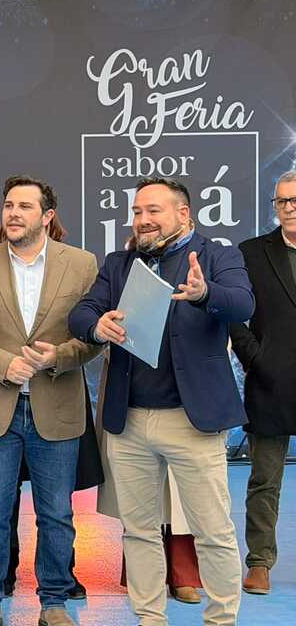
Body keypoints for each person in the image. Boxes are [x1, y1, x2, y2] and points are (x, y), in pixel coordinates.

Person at [69, 176, 252, 626]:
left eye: (154, 210)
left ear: (183, 214)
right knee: (139, 531)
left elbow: (243, 304)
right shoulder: (119, 264)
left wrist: (204, 293)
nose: (143, 220)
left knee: (212, 530)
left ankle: (222, 619)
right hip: (129, 421)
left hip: (192, 421)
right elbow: (82, 313)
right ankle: (150, 617)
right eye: (137, 212)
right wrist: (97, 325)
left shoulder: (217, 256)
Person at [0, 175, 102, 626]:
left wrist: (58, 357)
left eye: (24, 206)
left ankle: (53, 603)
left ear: (47, 216)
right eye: (8, 206)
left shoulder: (82, 264)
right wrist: (2, 363)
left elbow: (94, 336)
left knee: (56, 515)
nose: (13, 214)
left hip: (56, 408)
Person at [229, 169, 296, 597]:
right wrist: (255, 358)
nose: (289, 208)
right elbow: (234, 313)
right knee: (264, 480)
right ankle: (259, 563)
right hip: (270, 382)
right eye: (282, 201)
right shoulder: (251, 252)